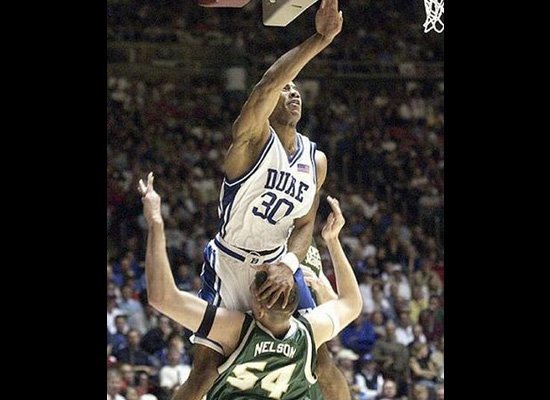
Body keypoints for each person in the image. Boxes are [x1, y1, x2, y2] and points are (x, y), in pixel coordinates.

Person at [173, 1, 346, 399]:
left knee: (323, 362)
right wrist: (320, 40)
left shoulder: (315, 160)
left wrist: (288, 265)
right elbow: (268, 83)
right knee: (204, 371)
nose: (293, 92)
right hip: (232, 263)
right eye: (287, 88)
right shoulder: (251, 140)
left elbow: (305, 224)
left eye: (297, 89)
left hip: (280, 265)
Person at [138, 173, 362, 399]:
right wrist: (333, 240)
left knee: (203, 373)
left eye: (252, 289)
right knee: (324, 365)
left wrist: (155, 221)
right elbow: (352, 303)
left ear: (260, 310)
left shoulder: (235, 330)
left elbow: (162, 297)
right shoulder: (309, 333)